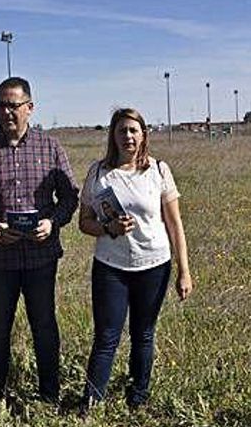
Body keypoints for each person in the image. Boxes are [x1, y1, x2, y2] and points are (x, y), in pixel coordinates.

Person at [0, 76, 79, 402]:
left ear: (30, 108)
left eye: (15, 106)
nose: (8, 112)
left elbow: (69, 197)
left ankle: (49, 394)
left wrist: (52, 222)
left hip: (41, 256)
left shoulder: (50, 147)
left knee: (45, 327)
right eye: (2, 105)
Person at [78, 108, 193, 410]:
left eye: (133, 130)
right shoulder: (99, 173)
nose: (127, 136)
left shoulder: (158, 170)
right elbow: (84, 222)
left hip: (153, 265)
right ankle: (91, 403)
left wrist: (184, 270)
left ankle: (137, 400)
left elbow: (174, 224)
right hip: (110, 268)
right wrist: (108, 228)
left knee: (144, 334)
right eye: (121, 131)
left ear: (143, 135)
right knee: (106, 338)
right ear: (112, 136)